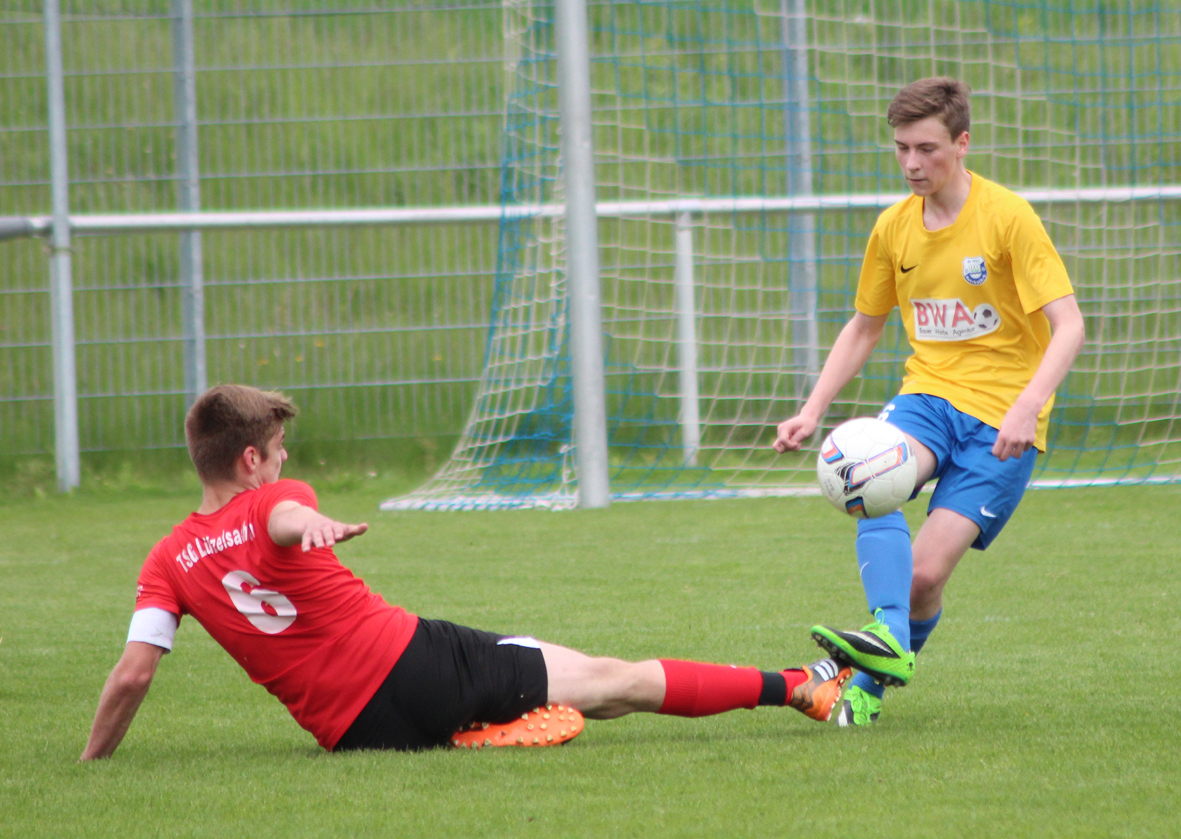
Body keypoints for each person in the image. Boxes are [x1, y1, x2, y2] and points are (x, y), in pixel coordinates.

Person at [81, 384, 851, 759]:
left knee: (564, 685)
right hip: (414, 663)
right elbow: (281, 517)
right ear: (251, 459)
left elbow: (133, 674)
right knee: (611, 680)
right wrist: (306, 521)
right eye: (279, 452)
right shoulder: (276, 501)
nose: (286, 463)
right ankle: (798, 686)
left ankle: (477, 729)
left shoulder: (165, 560)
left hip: (354, 732)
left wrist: (91, 763)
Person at [774, 78, 1085, 726]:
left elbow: (1069, 325)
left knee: (921, 579)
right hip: (928, 397)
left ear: (962, 143)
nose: (912, 163)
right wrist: (812, 409)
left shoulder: (1007, 217)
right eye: (901, 149)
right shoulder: (893, 227)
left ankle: (869, 684)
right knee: (865, 470)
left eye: (927, 148)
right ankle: (888, 633)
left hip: (1002, 419)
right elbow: (865, 326)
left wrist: (1028, 404)